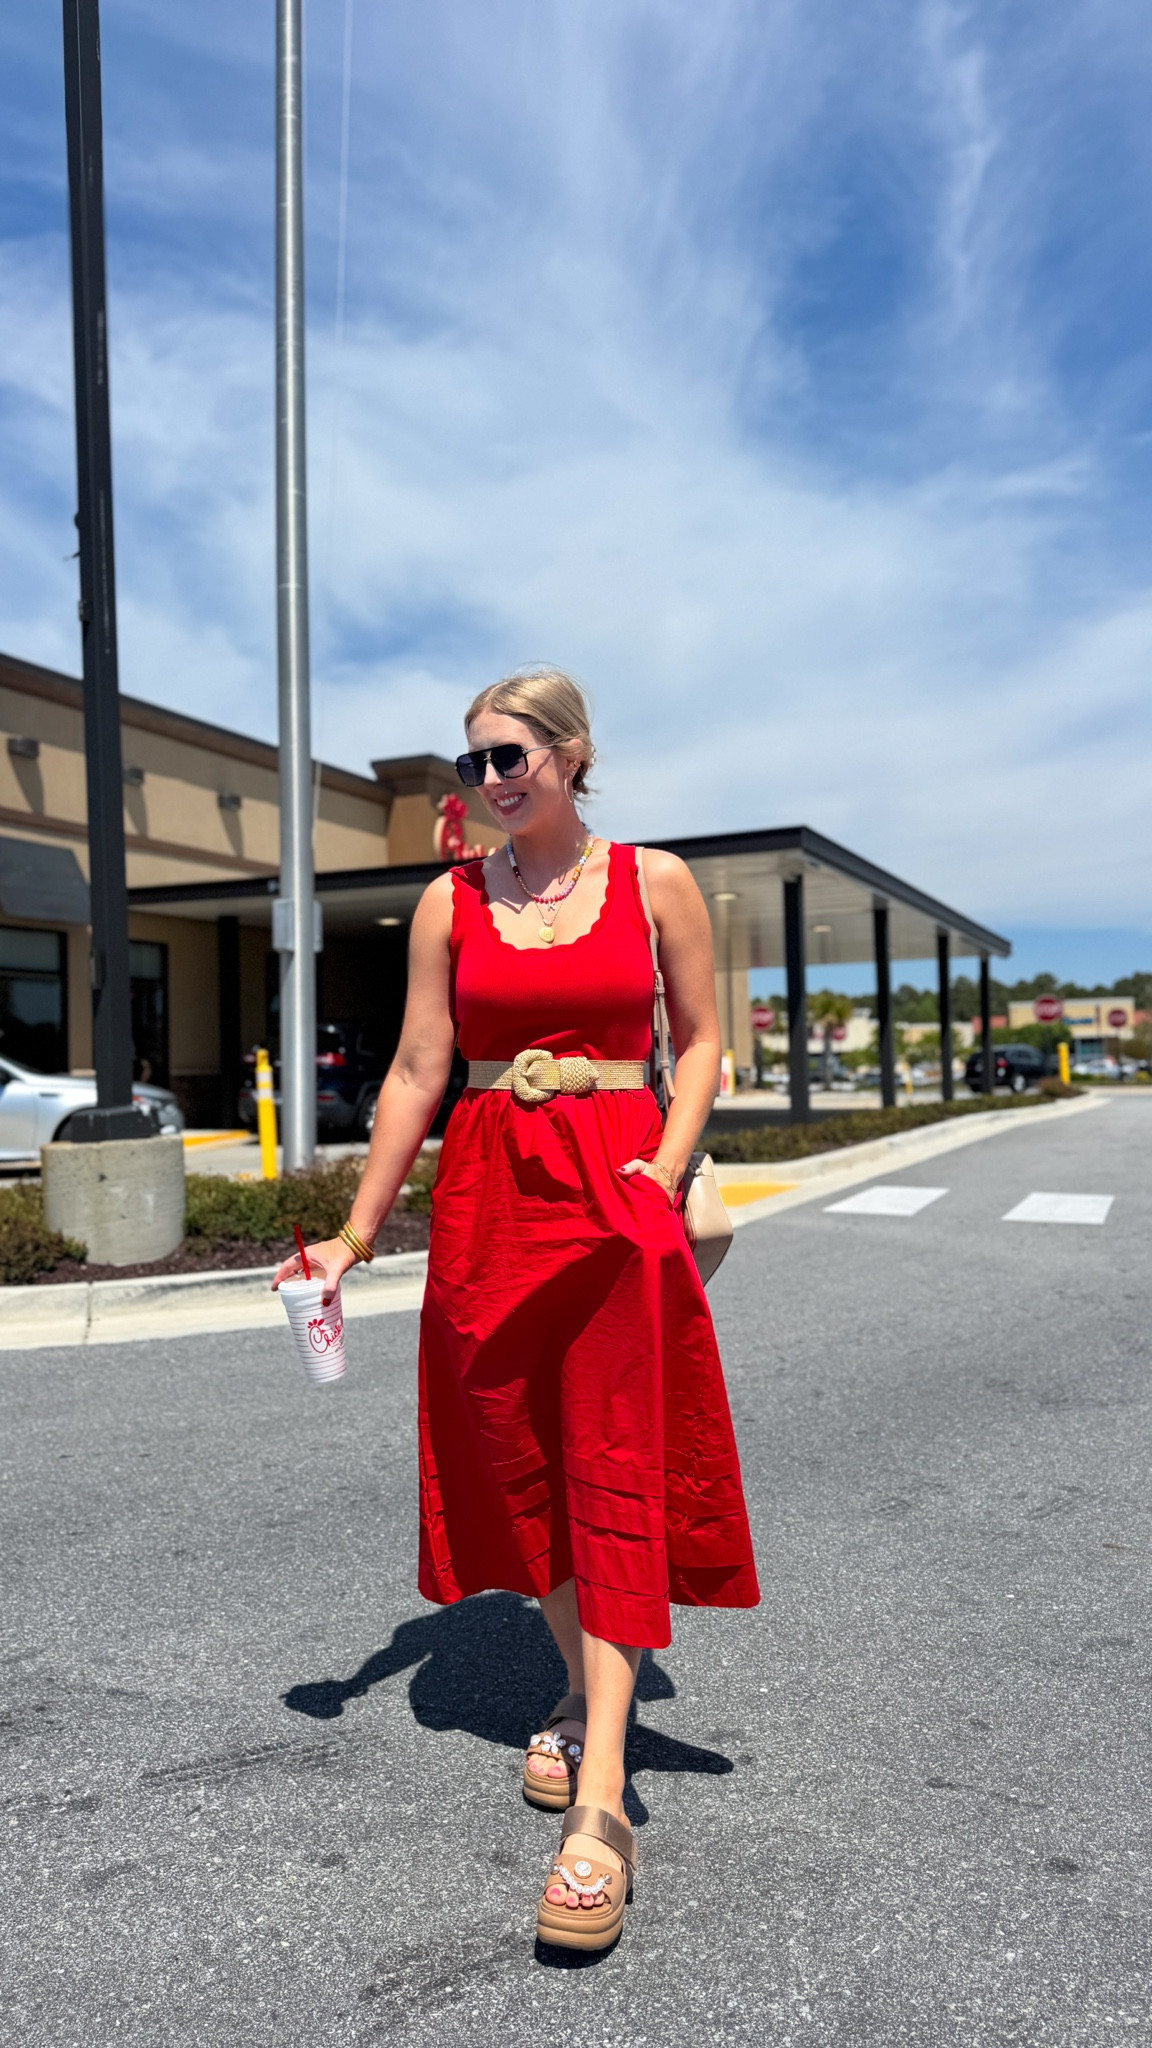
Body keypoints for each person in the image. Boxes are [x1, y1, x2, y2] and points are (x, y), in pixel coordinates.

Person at [275, 667, 759, 1954]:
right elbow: (417, 1068)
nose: (490, 778)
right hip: (491, 1197)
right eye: (473, 760)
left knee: (613, 1458)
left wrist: (665, 1163)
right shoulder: (450, 900)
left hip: (615, 1185)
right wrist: (355, 1233)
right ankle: (577, 1686)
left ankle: (601, 1801)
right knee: (516, 1452)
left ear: (572, 754)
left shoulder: (652, 881)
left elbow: (700, 1041)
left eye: (511, 755)